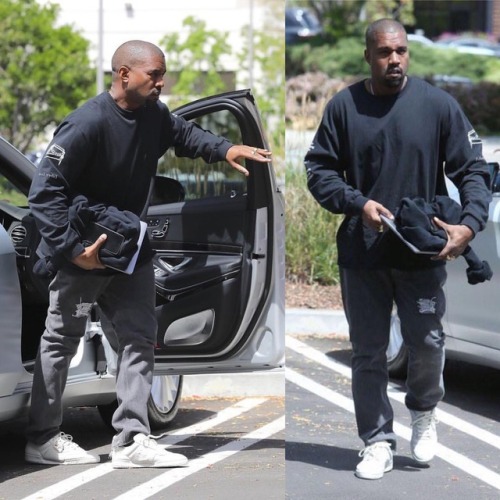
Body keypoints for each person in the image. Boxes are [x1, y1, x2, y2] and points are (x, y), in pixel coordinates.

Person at [25, 40, 271, 468]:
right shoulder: (86, 123)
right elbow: (44, 193)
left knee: (140, 339)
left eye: (162, 74)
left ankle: (132, 439)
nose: (161, 83)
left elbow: (186, 134)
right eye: (154, 75)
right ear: (123, 74)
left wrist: (225, 149)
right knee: (60, 342)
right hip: (85, 251)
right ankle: (43, 438)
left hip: (129, 250)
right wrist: (74, 250)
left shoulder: (154, 115)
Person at [305, 19, 491, 480]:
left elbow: (473, 170)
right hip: (363, 254)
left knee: (427, 343)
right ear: (368, 56)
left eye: (402, 51)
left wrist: (468, 226)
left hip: (421, 252)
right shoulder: (344, 107)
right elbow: (319, 171)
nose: (395, 60)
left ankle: (424, 411)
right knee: (368, 354)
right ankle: (376, 442)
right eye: (385, 52)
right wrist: (357, 202)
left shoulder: (437, 106)